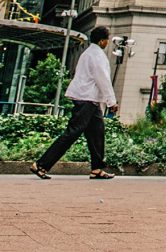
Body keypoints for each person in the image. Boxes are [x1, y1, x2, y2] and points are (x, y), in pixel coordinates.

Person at [32, 26, 118, 180]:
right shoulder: (97, 55)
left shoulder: (88, 53)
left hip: (90, 100)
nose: (107, 42)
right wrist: (111, 101)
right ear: (102, 40)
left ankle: (97, 168)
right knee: (72, 133)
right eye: (107, 39)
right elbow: (103, 80)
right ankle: (41, 165)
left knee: (97, 133)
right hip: (87, 99)